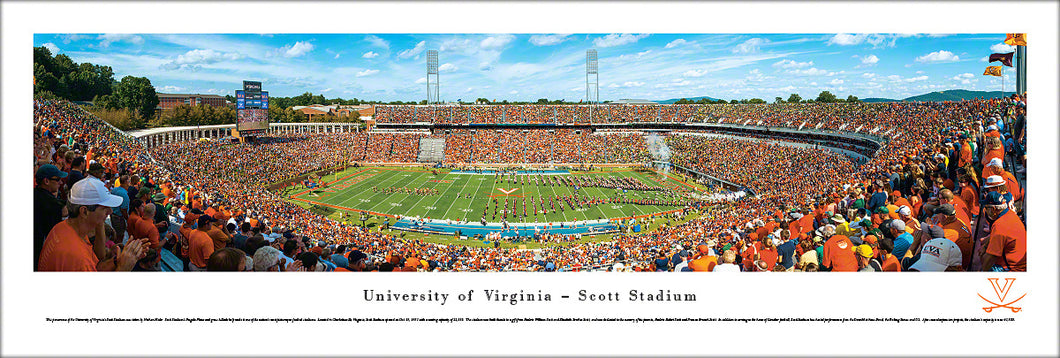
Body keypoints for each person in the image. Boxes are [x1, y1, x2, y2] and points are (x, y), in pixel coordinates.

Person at [38, 178, 148, 271]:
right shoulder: (78, 257)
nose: (110, 211)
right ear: (84, 211)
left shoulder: (67, 227)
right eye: (105, 208)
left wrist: (119, 260)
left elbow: (98, 261)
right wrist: (123, 268)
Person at [979, 192, 1026, 272]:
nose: (985, 210)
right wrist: (985, 245)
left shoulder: (1000, 226)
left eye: (986, 208)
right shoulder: (1010, 214)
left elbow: (989, 261)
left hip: (1013, 268)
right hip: (1020, 260)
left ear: (993, 209)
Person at [34, 164, 68, 270]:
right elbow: (64, 211)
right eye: (57, 179)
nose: (60, 182)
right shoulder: (50, 203)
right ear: (46, 181)